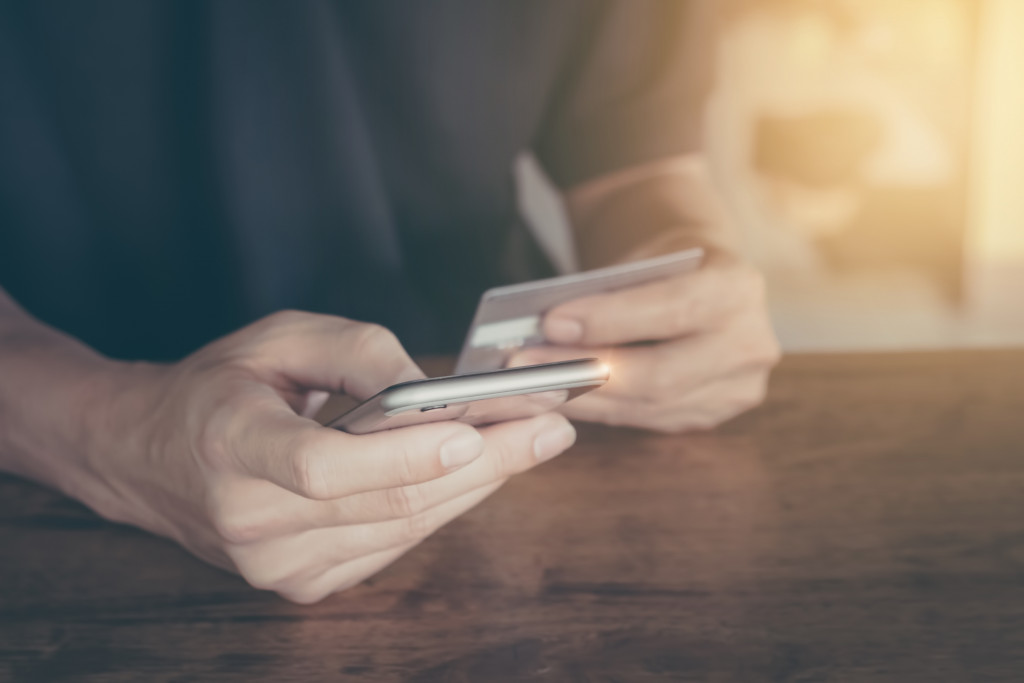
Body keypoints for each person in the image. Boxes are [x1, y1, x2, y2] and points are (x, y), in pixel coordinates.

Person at [0, 1, 779, 603]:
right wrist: (112, 435)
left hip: (492, 448)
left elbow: (634, 163)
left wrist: (683, 266)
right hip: (45, 471)